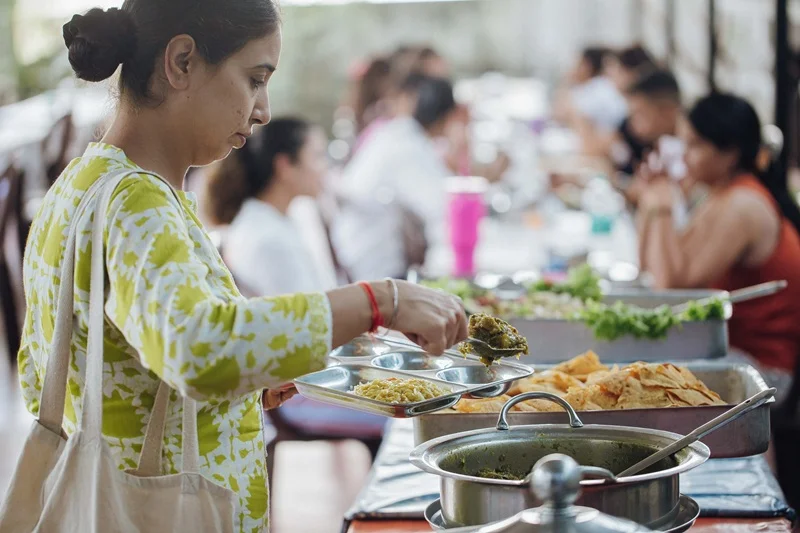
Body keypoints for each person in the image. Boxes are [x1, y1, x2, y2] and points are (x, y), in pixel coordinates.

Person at [18, 3, 467, 533]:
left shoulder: (82, 184)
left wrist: (235, 393)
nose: (263, 111)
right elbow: (198, 348)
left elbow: (89, 366)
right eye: (255, 79)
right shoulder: (137, 202)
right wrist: (379, 301)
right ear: (182, 62)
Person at [637, 92, 800, 375]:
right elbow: (651, 269)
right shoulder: (716, 194)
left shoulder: (742, 205)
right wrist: (652, 204)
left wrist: (662, 206)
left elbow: (671, 290)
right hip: (726, 349)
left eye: (695, 144)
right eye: (683, 142)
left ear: (730, 153)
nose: (684, 155)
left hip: (758, 367)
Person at [332, 74, 459, 281]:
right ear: (448, 117)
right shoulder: (406, 145)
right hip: (374, 269)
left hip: (361, 256)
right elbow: (444, 208)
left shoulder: (397, 134)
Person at [205, 117, 333, 296]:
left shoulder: (274, 220)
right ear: (285, 165)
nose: (326, 167)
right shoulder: (270, 240)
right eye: (318, 156)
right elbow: (309, 311)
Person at [555, 47, 628, 133]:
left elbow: (561, 114)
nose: (574, 67)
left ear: (587, 66)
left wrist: (566, 82)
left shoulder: (600, 87)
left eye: (579, 63)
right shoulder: (583, 87)